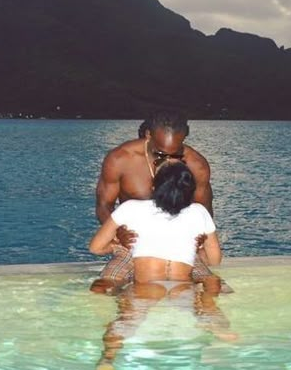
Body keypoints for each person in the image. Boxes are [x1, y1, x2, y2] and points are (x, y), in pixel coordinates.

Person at [89, 161, 234, 370]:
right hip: (182, 286)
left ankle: (107, 360)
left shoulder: (131, 209)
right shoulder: (199, 212)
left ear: (154, 186)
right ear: (190, 192)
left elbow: (95, 248)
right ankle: (223, 334)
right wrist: (201, 245)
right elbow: (214, 260)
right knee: (207, 313)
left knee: (126, 320)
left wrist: (117, 245)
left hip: (146, 286)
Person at [90, 110, 225, 294]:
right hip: (132, 244)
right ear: (148, 135)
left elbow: (205, 211)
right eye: (161, 153)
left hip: (180, 245)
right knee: (103, 287)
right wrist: (117, 234)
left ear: (184, 138)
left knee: (212, 285)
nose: (169, 160)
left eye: (175, 154)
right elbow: (103, 204)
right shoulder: (120, 159)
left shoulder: (196, 165)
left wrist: (201, 238)